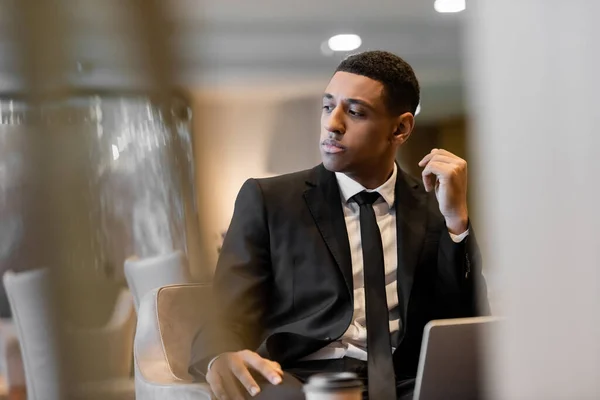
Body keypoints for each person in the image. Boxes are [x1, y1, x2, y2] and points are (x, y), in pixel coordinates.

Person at [189, 50, 489, 400]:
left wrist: (456, 223)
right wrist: (218, 355)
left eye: (355, 112)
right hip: (301, 380)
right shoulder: (270, 200)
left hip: (404, 381)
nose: (333, 123)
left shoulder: (432, 205)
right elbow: (225, 311)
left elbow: (467, 324)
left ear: (400, 128)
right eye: (328, 106)